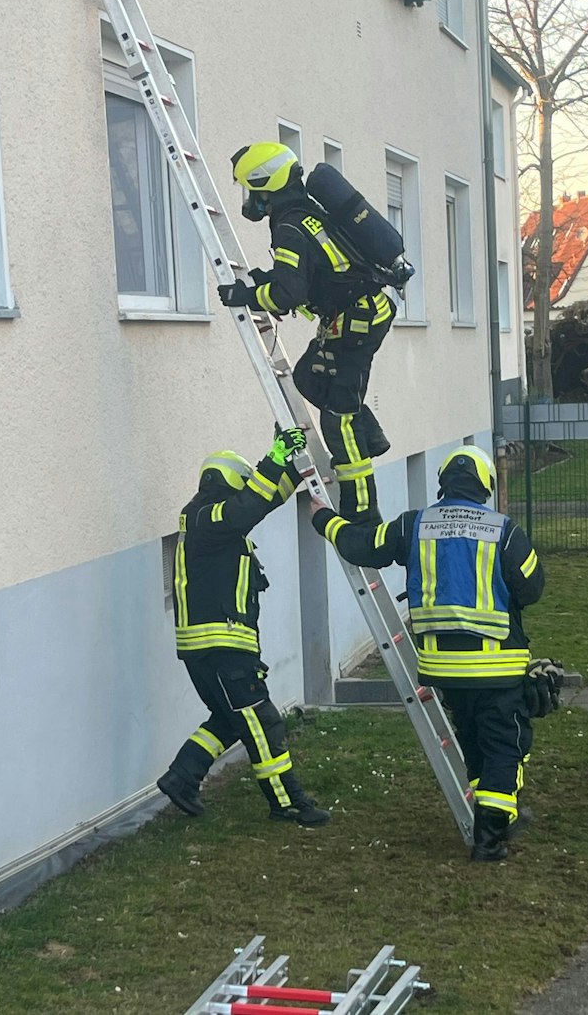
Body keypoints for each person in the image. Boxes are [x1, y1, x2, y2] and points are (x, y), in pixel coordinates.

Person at [309, 446, 546, 861]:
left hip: (441, 669)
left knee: (471, 738)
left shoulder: (414, 524)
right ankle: (490, 837)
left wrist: (322, 517)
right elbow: (532, 588)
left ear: (443, 481)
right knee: (505, 745)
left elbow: (362, 545)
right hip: (498, 668)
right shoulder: (504, 530)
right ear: (486, 486)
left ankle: (491, 813)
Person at [156, 428, 331, 827]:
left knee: (228, 718)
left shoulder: (212, 522)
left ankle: (181, 779)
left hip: (212, 648)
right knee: (263, 721)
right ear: (231, 482)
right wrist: (275, 456)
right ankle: (288, 803)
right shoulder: (206, 516)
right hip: (222, 648)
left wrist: (291, 469)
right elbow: (247, 506)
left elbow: (261, 501)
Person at [226, 142, 396, 525]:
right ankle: (371, 433)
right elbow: (310, 275)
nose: (249, 199)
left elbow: (287, 295)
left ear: (264, 183)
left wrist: (247, 295)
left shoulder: (289, 226)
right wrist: (262, 285)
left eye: (250, 189)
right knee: (306, 376)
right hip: (352, 316)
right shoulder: (303, 215)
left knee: (339, 419)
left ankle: (362, 514)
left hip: (357, 320)